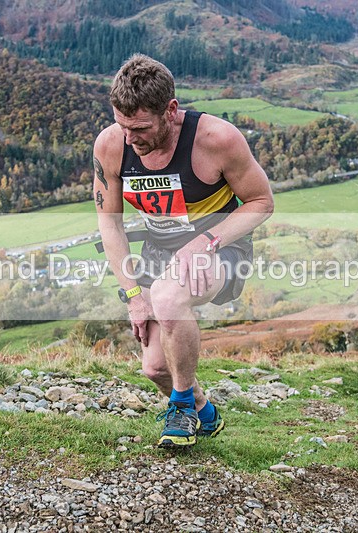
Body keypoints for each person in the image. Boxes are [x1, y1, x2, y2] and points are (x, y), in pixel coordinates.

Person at [92, 54, 273, 448]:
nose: (130, 138)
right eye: (122, 126)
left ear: (171, 111)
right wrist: (133, 296)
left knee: (170, 296)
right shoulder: (111, 146)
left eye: (140, 128)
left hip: (221, 248)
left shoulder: (216, 140)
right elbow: (110, 223)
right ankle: (203, 412)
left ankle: (179, 410)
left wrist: (206, 243)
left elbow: (261, 202)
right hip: (159, 253)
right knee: (156, 367)